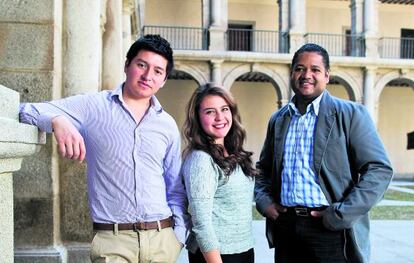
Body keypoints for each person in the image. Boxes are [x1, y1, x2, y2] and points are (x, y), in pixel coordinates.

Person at [19, 34, 188, 263]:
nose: (148, 75)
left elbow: (174, 186)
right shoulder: (93, 107)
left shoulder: (167, 124)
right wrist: (57, 120)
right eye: (142, 65)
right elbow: (26, 110)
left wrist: (177, 237)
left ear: (164, 79)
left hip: (162, 241)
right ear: (127, 65)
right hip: (113, 241)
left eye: (158, 71)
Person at [254, 43, 393, 263]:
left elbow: (379, 170)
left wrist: (341, 215)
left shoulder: (351, 114)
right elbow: (263, 169)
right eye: (300, 68)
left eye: (315, 69)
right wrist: (264, 202)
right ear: (291, 74)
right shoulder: (279, 120)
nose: (306, 75)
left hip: (330, 229)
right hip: (286, 228)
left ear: (327, 75)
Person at [181, 84, 257, 263]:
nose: (220, 117)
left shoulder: (233, 152)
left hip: (242, 249)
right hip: (215, 256)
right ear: (197, 118)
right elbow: (201, 225)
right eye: (209, 112)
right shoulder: (201, 159)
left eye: (224, 109)